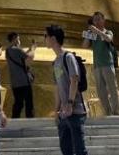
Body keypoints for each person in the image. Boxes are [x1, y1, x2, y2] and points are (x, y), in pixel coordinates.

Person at [46, 24, 88, 155]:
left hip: (74, 110)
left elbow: (74, 80)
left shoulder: (68, 57)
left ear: (53, 38)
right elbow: (58, 86)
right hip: (63, 114)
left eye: (45, 36)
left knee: (79, 150)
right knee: (66, 150)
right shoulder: (56, 62)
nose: (44, 39)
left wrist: (70, 103)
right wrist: (57, 109)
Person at [82, 12, 119, 116]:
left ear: (103, 20)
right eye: (95, 20)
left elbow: (108, 39)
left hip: (108, 64)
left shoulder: (108, 32)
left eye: (99, 19)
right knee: (101, 91)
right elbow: (84, 46)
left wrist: (98, 31)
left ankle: (116, 112)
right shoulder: (93, 35)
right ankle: (108, 112)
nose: (97, 21)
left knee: (112, 88)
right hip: (97, 65)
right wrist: (89, 33)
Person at [5, 33, 35, 119]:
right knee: (29, 103)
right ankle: (30, 121)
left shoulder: (8, 51)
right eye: (18, 39)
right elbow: (30, 57)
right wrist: (33, 48)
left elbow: (21, 55)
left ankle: (15, 119)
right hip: (24, 81)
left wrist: (29, 49)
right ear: (14, 39)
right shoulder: (17, 49)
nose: (19, 41)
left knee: (18, 103)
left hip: (15, 83)